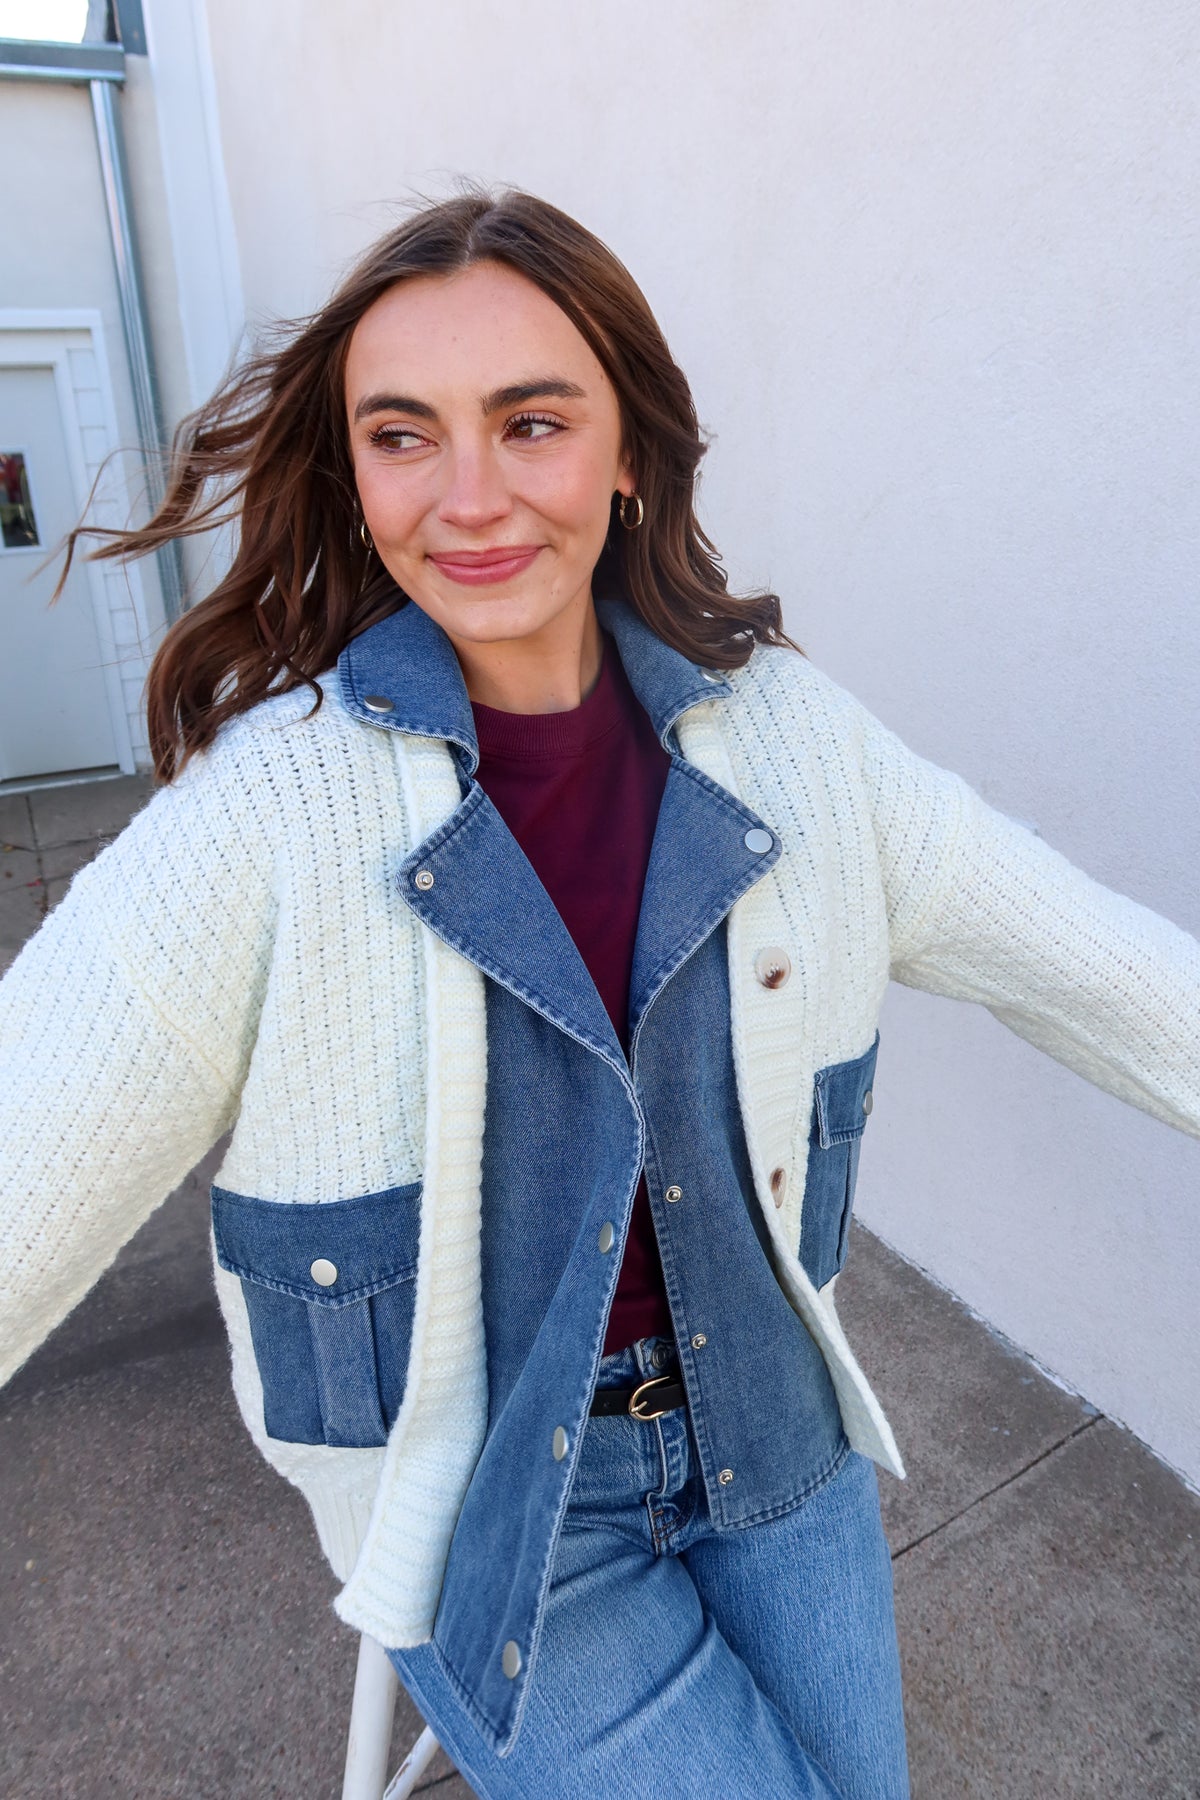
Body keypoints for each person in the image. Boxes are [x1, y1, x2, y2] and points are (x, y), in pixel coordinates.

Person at [1, 188, 1197, 1800]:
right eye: (404, 435)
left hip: (774, 1426)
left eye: (532, 422)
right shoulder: (262, 821)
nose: (469, 497)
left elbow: (1100, 968)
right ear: (352, 475)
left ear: (628, 451)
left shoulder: (795, 743)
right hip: (501, 1510)